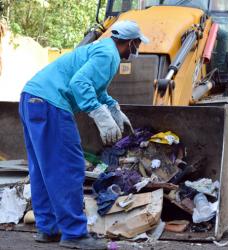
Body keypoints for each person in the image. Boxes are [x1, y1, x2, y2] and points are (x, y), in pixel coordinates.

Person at [18, 20, 148, 249]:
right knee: (69, 166)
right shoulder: (109, 55)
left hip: (32, 98)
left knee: (41, 168)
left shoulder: (100, 48)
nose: (136, 50)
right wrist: (98, 113)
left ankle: (48, 228)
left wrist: (113, 108)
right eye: (136, 44)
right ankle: (74, 234)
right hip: (51, 104)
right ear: (129, 42)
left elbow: (95, 87)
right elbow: (79, 83)